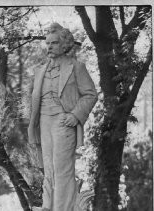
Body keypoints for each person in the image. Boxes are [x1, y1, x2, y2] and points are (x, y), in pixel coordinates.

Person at [28, 23, 98, 211]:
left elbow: (91, 94)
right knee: (49, 169)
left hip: (63, 121)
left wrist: (75, 115)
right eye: (48, 43)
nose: (49, 46)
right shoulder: (39, 71)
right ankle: (48, 206)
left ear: (65, 44)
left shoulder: (76, 67)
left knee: (62, 169)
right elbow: (34, 99)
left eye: (54, 43)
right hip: (44, 121)